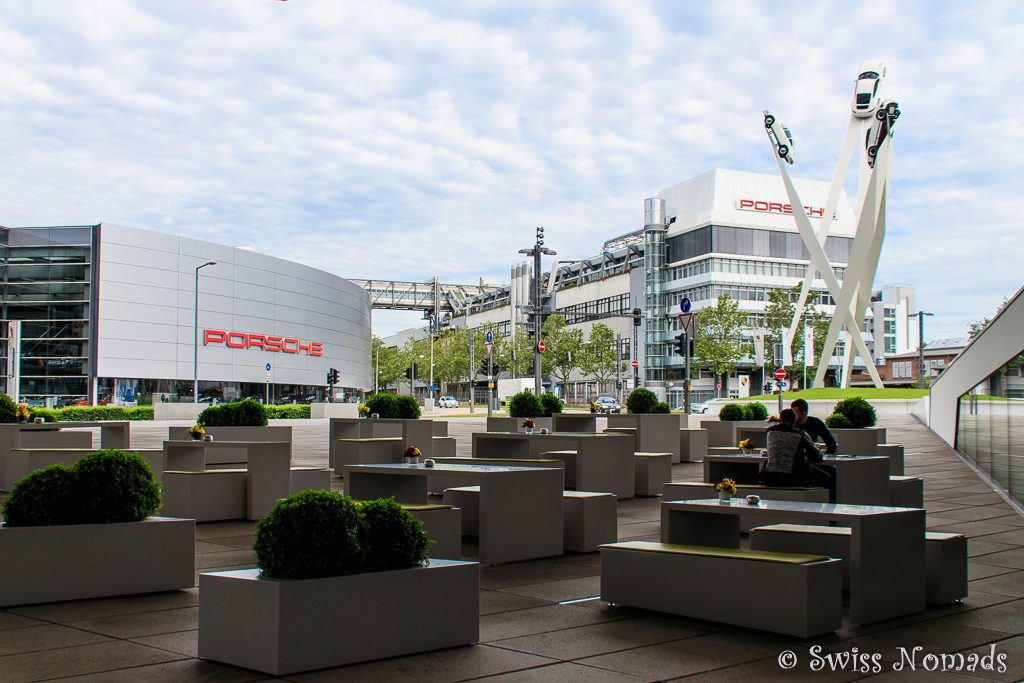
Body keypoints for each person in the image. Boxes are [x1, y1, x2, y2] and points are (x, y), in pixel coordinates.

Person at [760, 409, 834, 497]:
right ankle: (827, 506)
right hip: (794, 477)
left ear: (780, 420)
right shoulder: (800, 434)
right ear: (794, 421)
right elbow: (817, 457)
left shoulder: (769, 431)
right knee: (828, 477)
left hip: (770, 477)